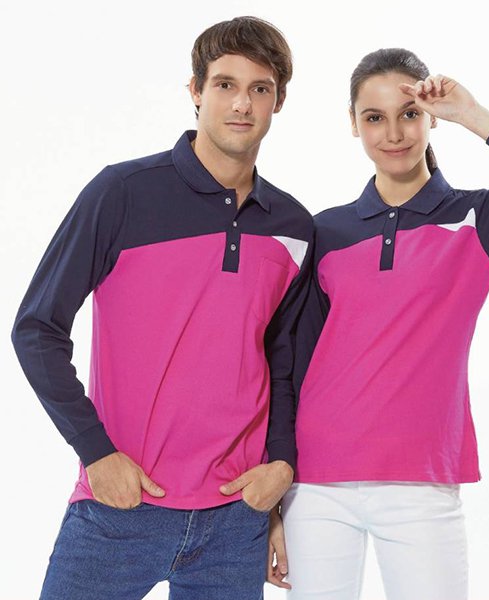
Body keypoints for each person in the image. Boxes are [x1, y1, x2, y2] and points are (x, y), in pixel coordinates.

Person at [266, 48, 489, 599]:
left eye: (409, 114)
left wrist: (473, 115)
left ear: (430, 117)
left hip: (420, 482)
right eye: (374, 117)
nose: (393, 133)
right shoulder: (326, 231)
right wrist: (276, 491)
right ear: (353, 123)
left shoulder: (478, 220)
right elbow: (290, 362)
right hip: (316, 483)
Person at [11, 16, 313, 600]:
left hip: (236, 518)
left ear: (279, 101)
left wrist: (281, 467)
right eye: (225, 85)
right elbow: (37, 329)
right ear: (195, 91)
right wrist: (96, 453)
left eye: (260, 88)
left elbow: (282, 364)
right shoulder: (122, 193)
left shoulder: (294, 227)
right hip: (120, 508)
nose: (242, 104)